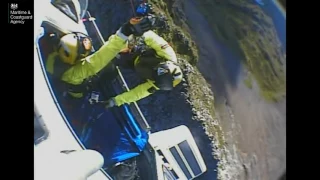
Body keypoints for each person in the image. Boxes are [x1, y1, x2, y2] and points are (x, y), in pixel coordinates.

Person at [45, 16, 183, 108]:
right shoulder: (168, 55)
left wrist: (115, 101)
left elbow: (136, 93)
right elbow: (152, 39)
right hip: (137, 52)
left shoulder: (157, 84)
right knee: (110, 60)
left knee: (109, 66)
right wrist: (137, 32)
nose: (152, 74)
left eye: (154, 76)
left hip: (132, 64)